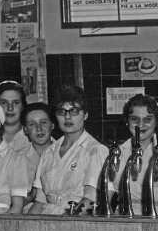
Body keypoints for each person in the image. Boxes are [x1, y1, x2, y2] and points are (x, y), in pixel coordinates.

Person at [28, 85, 108, 215]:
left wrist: (65, 222)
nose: (67, 117)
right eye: (61, 111)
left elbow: (90, 200)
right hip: (48, 220)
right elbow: (40, 201)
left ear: (85, 115)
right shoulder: (48, 152)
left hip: (76, 222)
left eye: (74, 111)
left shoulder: (95, 150)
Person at [110, 94, 158, 217]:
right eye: (135, 119)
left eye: (147, 119)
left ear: (156, 122)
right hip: (122, 220)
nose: (141, 125)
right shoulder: (117, 153)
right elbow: (107, 197)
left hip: (157, 218)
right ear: (127, 122)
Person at [18, 102, 55, 203]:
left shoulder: (65, 153)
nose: (39, 128)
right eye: (32, 124)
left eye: (43, 122)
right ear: (25, 130)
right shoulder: (17, 158)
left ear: (52, 125)